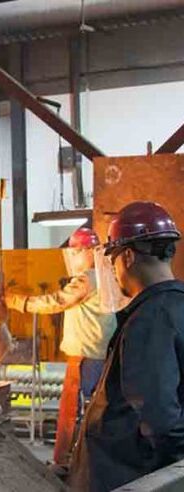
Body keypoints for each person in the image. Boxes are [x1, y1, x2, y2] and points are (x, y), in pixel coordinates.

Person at [69, 201, 184, 491]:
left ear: (128, 256)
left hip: (125, 474)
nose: (115, 272)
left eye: (114, 260)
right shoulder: (176, 306)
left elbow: (159, 417)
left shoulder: (149, 319)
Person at [4, 227, 117, 469]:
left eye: (76, 252)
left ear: (89, 252)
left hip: (86, 356)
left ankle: (67, 463)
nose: (73, 258)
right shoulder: (106, 276)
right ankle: (80, 461)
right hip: (97, 354)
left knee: (74, 412)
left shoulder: (88, 279)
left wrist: (15, 301)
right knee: (87, 411)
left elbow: (56, 301)